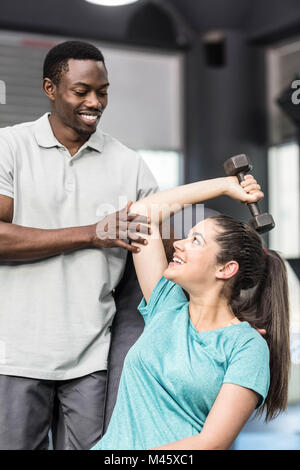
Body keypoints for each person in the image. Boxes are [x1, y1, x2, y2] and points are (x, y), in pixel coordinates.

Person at [0, 40, 158, 450]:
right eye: (81, 91)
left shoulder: (129, 165)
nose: (95, 102)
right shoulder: (9, 148)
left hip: (92, 358)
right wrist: (91, 233)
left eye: (102, 91)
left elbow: (161, 238)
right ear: (50, 88)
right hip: (13, 356)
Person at [91, 173, 290, 450]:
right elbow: (140, 214)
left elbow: (212, 443)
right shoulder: (166, 305)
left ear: (225, 269)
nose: (178, 244)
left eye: (196, 241)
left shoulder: (247, 347)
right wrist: (224, 186)